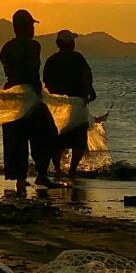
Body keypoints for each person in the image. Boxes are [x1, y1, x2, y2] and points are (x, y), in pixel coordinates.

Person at [0, 9, 59, 192]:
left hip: (11, 93)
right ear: (25, 27)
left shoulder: (6, 47)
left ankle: (20, 178)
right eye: (32, 25)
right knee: (47, 131)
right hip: (28, 93)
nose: (34, 29)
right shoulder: (34, 46)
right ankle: (41, 174)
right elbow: (32, 71)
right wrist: (38, 92)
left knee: (17, 136)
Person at [42, 29, 96, 181]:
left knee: (57, 138)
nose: (74, 43)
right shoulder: (78, 58)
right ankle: (72, 170)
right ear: (68, 43)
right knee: (79, 138)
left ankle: (58, 170)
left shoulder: (52, 60)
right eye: (72, 41)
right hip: (77, 103)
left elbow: (47, 83)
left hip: (58, 106)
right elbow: (86, 75)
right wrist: (90, 91)